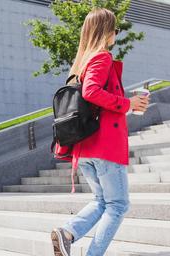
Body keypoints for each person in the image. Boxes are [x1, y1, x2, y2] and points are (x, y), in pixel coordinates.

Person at [51, 7, 150, 256]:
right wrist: (128, 104)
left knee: (102, 202)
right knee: (118, 205)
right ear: (106, 31)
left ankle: (66, 234)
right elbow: (91, 92)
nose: (116, 34)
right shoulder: (101, 57)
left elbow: (90, 96)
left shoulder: (81, 63)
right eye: (115, 30)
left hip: (85, 147)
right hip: (104, 146)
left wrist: (126, 103)